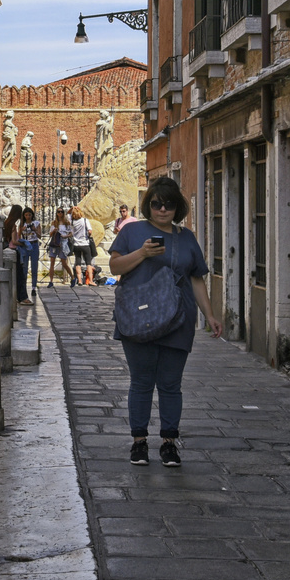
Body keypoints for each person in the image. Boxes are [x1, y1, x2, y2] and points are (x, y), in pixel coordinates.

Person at [108, 177, 221, 468]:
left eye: (169, 205)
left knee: (171, 384)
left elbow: (197, 278)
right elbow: (115, 266)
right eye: (157, 204)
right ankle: (139, 443)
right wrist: (143, 253)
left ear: (177, 208)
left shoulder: (187, 238)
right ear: (148, 205)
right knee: (142, 382)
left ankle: (169, 443)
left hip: (178, 319)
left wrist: (209, 314)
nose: (162, 210)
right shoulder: (132, 231)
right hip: (137, 316)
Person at [2, 204, 26, 305]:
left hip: (6, 250)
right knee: (20, 276)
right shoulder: (13, 225)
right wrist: (23, 243)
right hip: (13, 250)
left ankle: (14, 296)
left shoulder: (5, 223)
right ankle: (22, 297)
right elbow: (14, 241)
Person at [45, 206, 74, 286]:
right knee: (52, 263)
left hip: (63, 243)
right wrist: (53, 231)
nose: (60, 213)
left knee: (64, 263)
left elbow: (71, 233)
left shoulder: (67, 223)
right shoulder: (54, 223)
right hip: (54, 244)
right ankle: (51, 281)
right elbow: (50, 234)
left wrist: (65, 236)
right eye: (58, 212)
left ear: (63, 213)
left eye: (61, 212)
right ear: (56, 213)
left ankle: (72, 277)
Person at [18, 207, 41, 299]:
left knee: (34, 267)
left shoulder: (36, 223)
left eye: (30, 215)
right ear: (24, 215)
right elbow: (18, 236)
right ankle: (24, 287)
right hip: (25, 246)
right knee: (24, 268)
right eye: (26, 215)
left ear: (32, 215)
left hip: (34, 245)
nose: (28, 217)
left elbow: (40, 235)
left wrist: (34, 229)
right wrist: (21, 230)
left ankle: (33, 288)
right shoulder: (21, 224)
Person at [69, 205, 95, 286]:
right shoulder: (84, 220)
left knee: (78, 262)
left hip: (76, 245)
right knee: (88, 263)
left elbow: (67, 214)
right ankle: (90, 281)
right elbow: (90, 231)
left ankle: (79, 280)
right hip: (85, 244)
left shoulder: (72, 222)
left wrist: (72, 208)